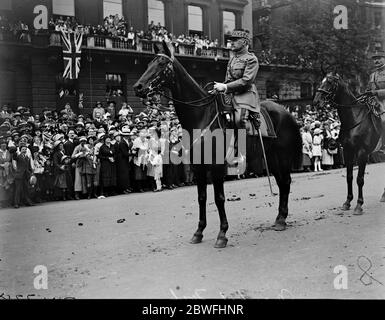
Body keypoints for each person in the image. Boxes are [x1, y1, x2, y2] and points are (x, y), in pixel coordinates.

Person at [212, 29, 260, 129]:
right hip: (231, 95)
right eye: (231, 40)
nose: (231, 42)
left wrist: (225, 86)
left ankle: (243, 144)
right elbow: (228, 80)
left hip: (246, 95)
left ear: (245, 42)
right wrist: (217, 88)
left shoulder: (251, 59)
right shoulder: (232, 59)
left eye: (235, 40)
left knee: (239, 120)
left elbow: (246, 81)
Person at [367, 50, 385, 147]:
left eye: (379, 58)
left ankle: (383, 143)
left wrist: (376, 92)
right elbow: (370, 88)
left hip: (384, 102)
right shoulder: (372, 75)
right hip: (374, 102)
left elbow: (375, 91)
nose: (376, 61)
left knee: (384, 120)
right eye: (374, 59)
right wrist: (367, 92)